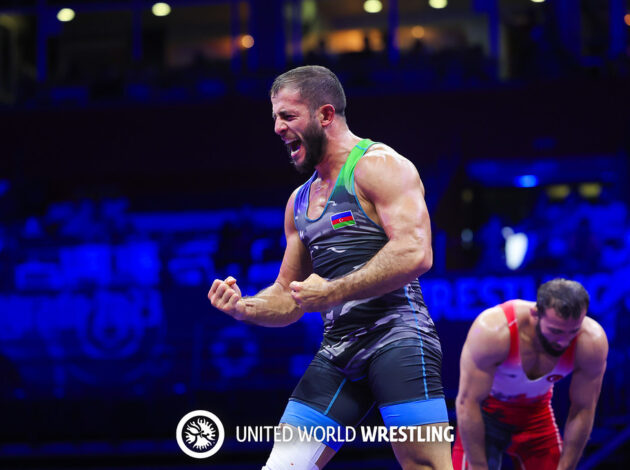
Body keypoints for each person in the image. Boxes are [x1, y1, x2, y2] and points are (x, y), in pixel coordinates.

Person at [208, 65, 452, 469]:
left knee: (426, 466)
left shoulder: (380, 166)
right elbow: (289, 296)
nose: (277, 128)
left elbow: (415, 253)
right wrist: (244, 307)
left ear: (324, 114)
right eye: (275, 117)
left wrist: (333, 291)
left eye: (288, 116)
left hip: (399, 338)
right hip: (338, 351)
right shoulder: (299, 201)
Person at [452, 278, 608, 470]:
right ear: (535, 314)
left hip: (536, 416)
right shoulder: (494, 331)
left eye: (573, 331)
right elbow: (468, 402)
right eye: (556, 331)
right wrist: (478, 466)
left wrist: (567, 466)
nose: (564, 341)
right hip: (485, 413)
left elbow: (583, 408)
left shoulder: (591, 341)